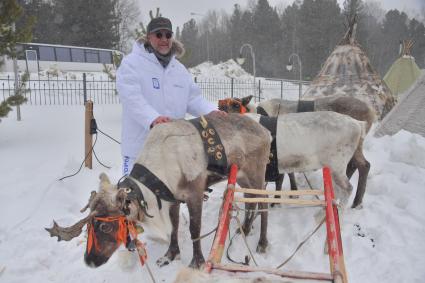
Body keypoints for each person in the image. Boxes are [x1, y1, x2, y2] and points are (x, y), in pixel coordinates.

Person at [116, 16, 224, 175]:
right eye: (158, 34)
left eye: (168, 35)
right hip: (140, 150)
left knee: (170, 197)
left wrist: (211, 112)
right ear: (148, 37)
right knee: (133, 196)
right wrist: (153, 119)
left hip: (173, 148)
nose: (164, 39)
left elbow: (193, 99)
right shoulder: (131, 63)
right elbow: (132, 98)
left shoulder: (179, 69)